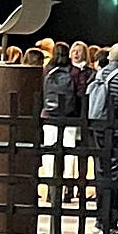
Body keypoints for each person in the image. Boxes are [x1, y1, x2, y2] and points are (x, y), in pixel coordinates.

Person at [87, 43, 118, 234]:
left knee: (101, 173)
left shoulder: (99, 74)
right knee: (115, 175)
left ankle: (100, 219)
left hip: (98, 128)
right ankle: (110, 221)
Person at [40, 42, 81, 209]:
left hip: (49, 116)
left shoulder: (46, 71)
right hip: (70, 118)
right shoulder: (75, 72)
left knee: (49, 153)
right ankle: (66, 190)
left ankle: (51, 189)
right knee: (69, 154)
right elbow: (80, 94)